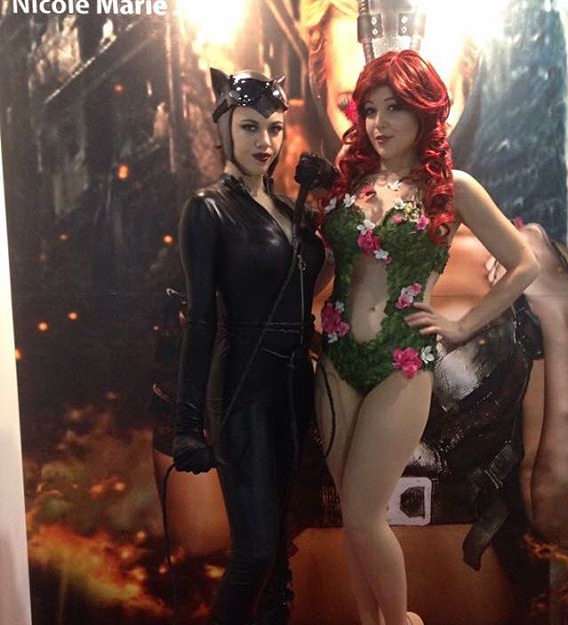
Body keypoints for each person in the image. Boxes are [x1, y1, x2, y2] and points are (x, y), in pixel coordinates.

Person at [313, 50, 539, 625]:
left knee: (365, 514)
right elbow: (324, 266)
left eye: (394, 108)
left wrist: (462, 325)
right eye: (369, 109)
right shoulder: (349, 182)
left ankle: (401, 622)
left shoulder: (451, 187)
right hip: (337, 358)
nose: (379, 122)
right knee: (351, 517)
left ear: (423, 112)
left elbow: (524, 264)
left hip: (403, 363)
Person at [171, 68, 329, 625]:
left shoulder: (288, 210)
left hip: (295, 386)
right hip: (242, 385)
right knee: (255, 553)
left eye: (275, 127)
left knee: (280, 554)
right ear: (225, 130)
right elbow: (200, 320)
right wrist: (186, 423)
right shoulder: (208, 209)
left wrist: (320, 205)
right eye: (249, 126)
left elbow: (309, 284)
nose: (265, 141)